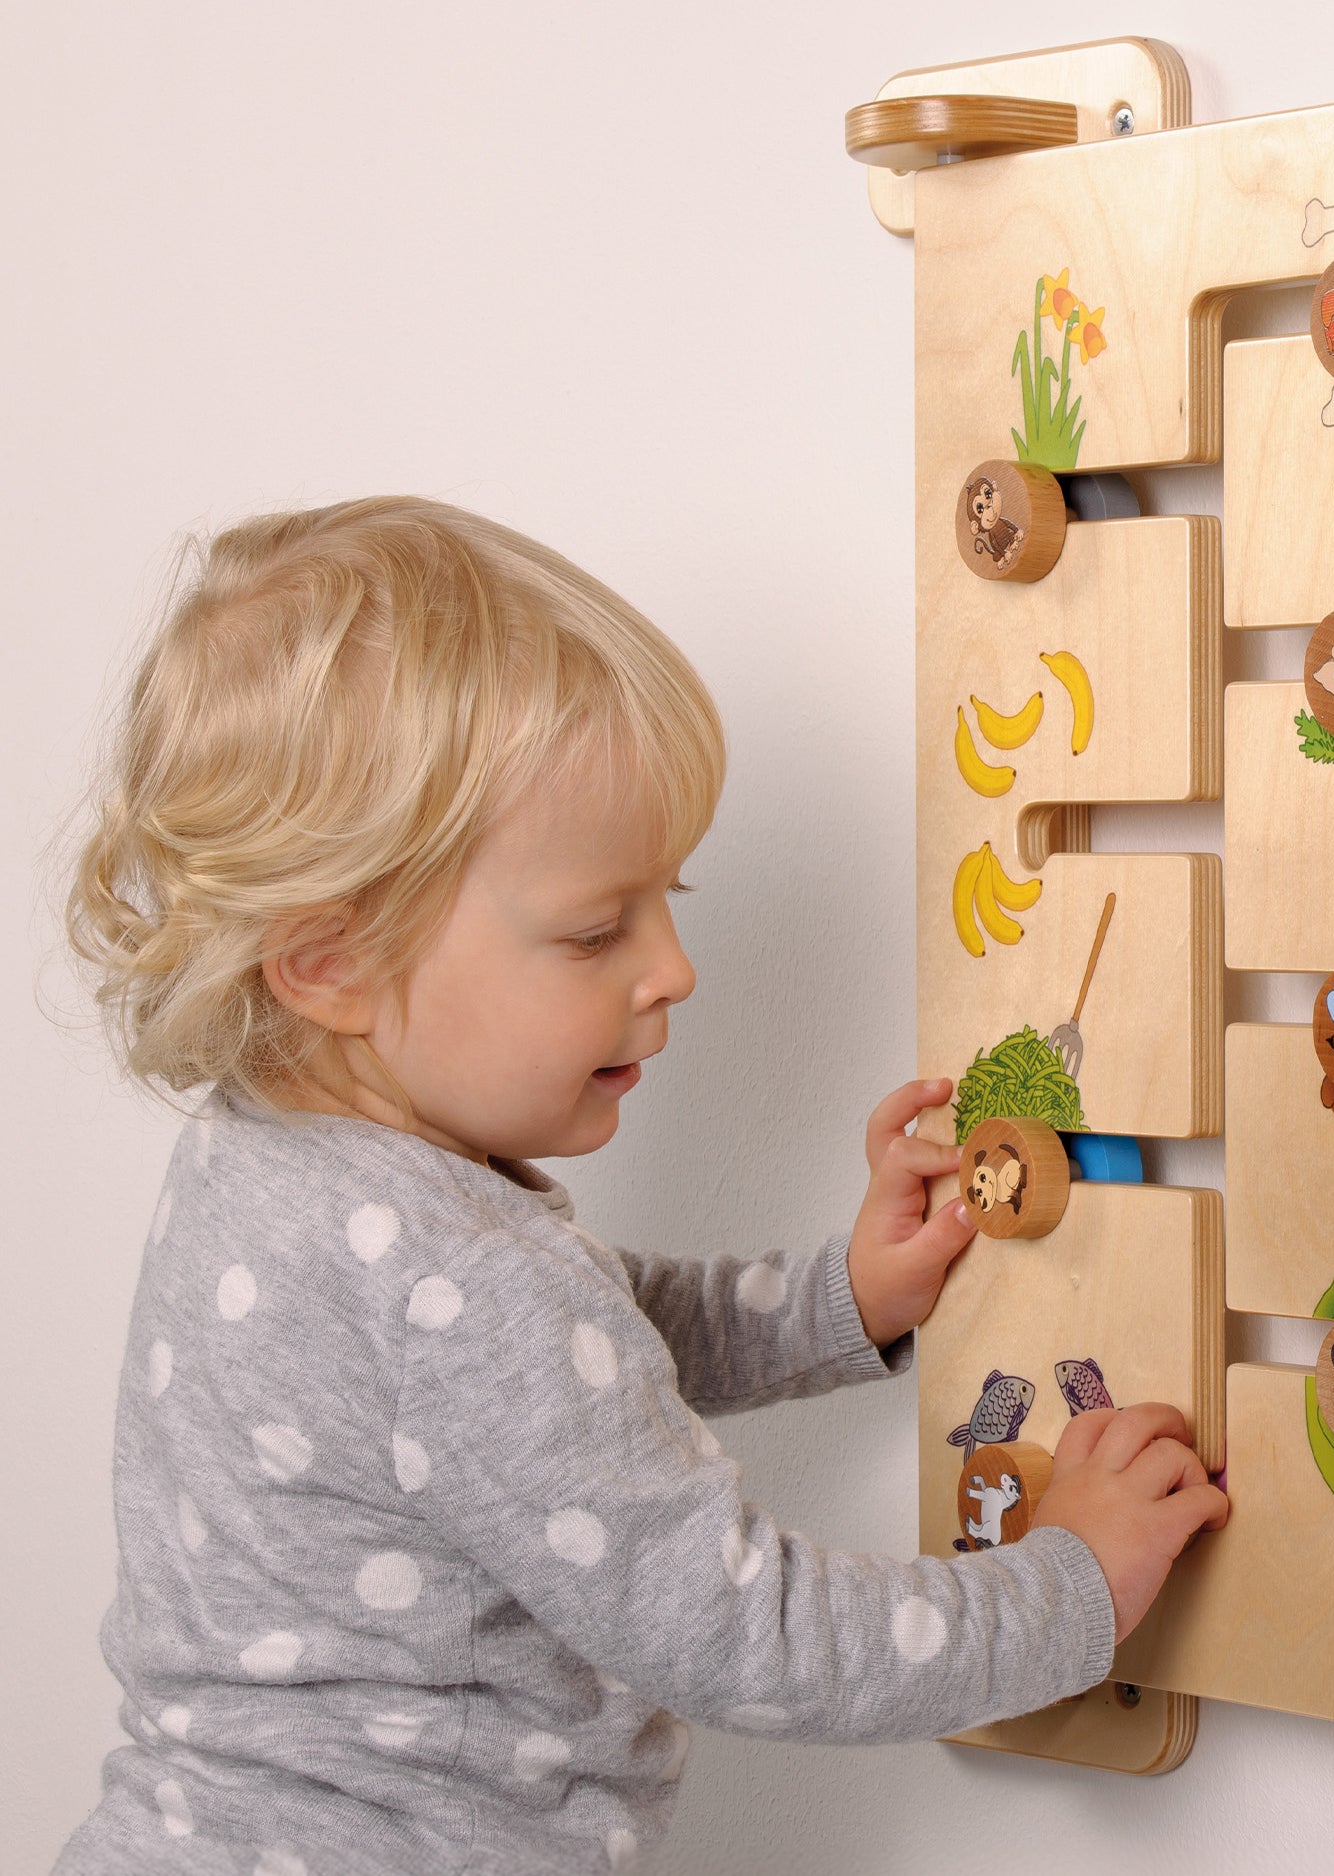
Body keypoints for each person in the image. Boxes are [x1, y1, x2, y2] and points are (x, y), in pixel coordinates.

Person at [54, 496, 1228, 1874]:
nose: (668, 967)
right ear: (329, 963)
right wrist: (1070, 1586)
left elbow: (571, 1362)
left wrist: (836, 1300)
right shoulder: (453, 1279)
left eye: (668, 899)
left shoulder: (262, 1168)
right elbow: (755, 1638)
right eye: (596, 927)